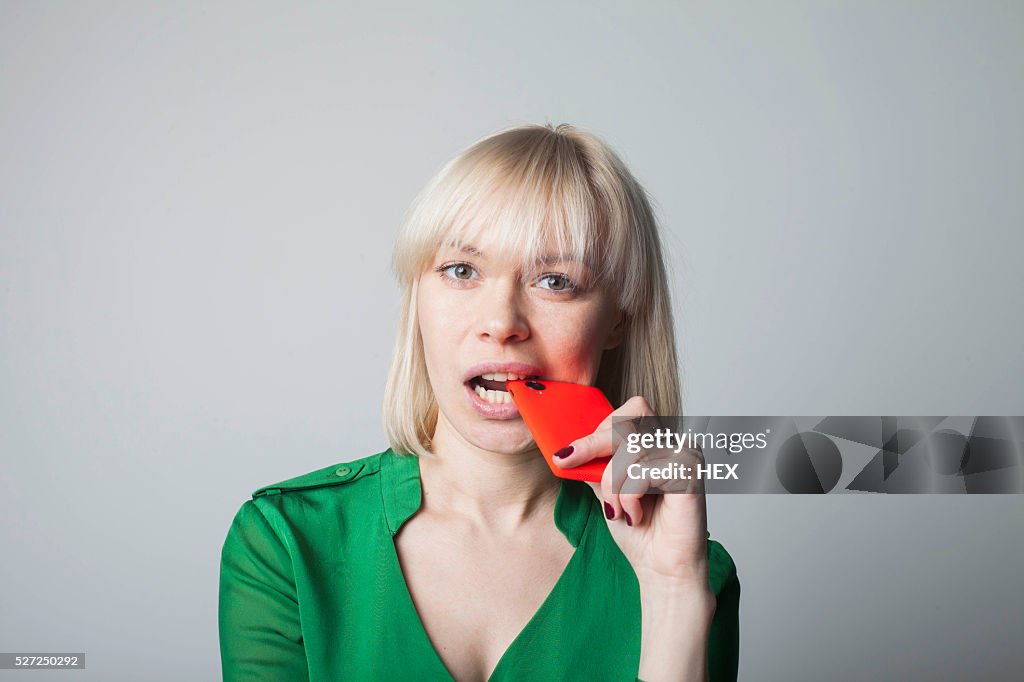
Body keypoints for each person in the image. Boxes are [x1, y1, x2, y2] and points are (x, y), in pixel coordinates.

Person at [218, 123, 740, 681]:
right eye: (461, 270)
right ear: (417, 301)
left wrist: (673, 595)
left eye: (556, 281)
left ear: (617, 320)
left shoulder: (690, 574)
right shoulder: (286, 542)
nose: (501, 323)